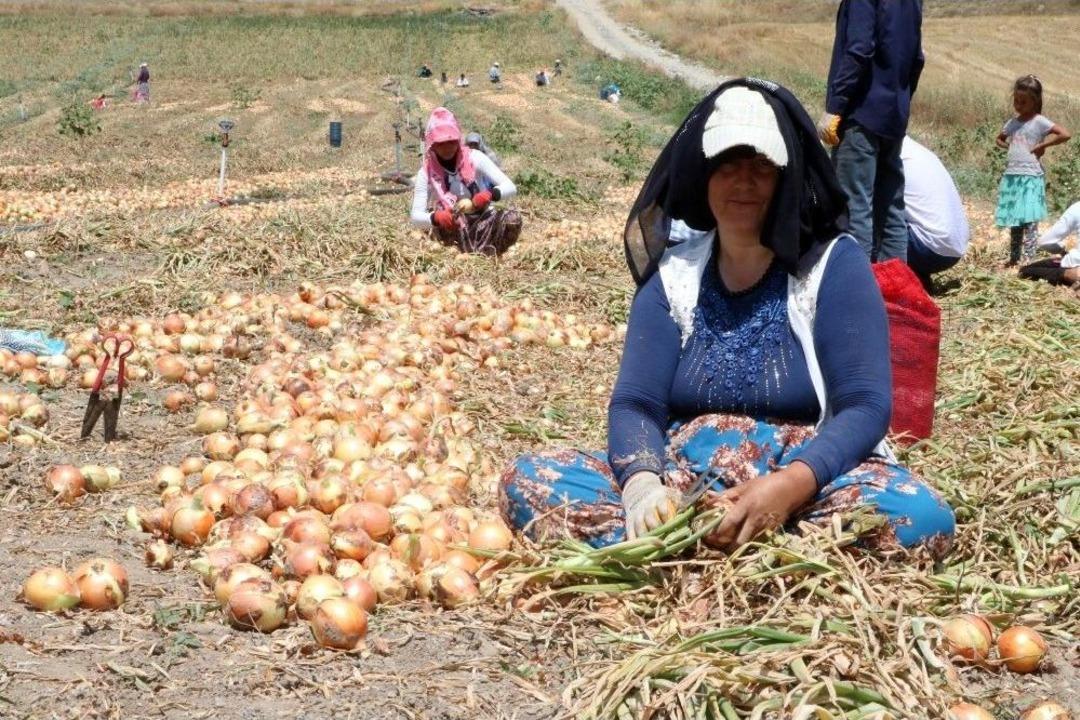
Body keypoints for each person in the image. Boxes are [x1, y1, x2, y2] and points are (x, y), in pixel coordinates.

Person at [500, 79, 954, 559]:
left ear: (787, 176)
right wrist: (643, 489)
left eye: (761, 165)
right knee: (527, 479)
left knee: (919, 518)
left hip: (805, 480)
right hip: (684, 481)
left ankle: (701, 552)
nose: (744, 180)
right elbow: (636, 403)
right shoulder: (675, 277)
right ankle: (709, 544)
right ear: (703, 176)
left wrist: (788, 487)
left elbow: (865, 405)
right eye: (727, 164)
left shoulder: (832, 267)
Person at [819, 0, 924, 263]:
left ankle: (857, 292)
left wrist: (835, 106)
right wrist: (900, 100)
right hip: (893, 116)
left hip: (861, 113)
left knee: (854, 206)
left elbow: (859, 49)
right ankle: (896, 295)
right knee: (891, 207)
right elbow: (917, 59)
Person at [409, 107, 521, 255]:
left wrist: (489, 195)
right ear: (432, 145)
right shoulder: (426, 172)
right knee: (429, 226)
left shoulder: (475, 157)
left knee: (512, 219)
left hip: (483, 220)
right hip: (451, 227)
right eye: (440, 143)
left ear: (458, 139)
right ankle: (458, 252)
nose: (447, 148)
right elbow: (416, 216)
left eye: (451, 141)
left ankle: (491, 250)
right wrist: (437, 218)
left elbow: (511, 187)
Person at [995, 75, 1072, 265]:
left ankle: (1029, 259)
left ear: (1035, 101)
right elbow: (999, 139)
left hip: (1030, 176)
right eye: (1016, 101)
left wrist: (1042, 145)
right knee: (1015, 218)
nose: (1019, 105)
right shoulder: (1012, 123)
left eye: (1023, 102)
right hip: (1013, 176)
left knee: (1029, 218)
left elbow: (1065, 134)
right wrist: (1010, 147)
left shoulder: (1040, 122)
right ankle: (1014, 258)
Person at [901, 136, 969, 288]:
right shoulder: (916, 150)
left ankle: (894, 283)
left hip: (930, 250)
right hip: (953, 249)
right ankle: (917, 278)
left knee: (863, 219)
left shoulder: (891, 154)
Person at [1019, 201, 1080, 286]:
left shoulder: (1077, 207)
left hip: (1075, 265)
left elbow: (1045, 242)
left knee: (1025, 271)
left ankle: (1069, 274)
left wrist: (1062, 251)